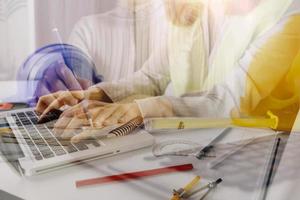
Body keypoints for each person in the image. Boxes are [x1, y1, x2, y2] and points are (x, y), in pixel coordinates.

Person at [36, 0, 300, 142]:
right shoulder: (194, 9)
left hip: (260, 155)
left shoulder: (288, 13)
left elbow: (230, 102)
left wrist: (140, 110)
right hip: (188, 147)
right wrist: (95, 96)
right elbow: (152, 76)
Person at [34, 0, 169, 97]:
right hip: (96, 132)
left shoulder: (180, 29)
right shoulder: (87, 29)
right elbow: (72, 87)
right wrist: (58, 84)